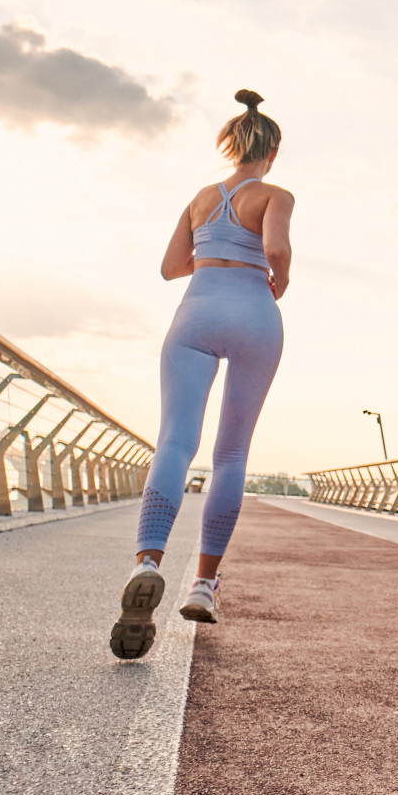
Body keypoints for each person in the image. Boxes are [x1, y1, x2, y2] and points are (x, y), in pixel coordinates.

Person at [109, 90, 292, 658]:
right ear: (274, 150)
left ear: (231, 145)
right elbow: (276, 249)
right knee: (231, 455)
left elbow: (170, 268)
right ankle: (206, 585)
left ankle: (147, 560)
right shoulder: (276, 194)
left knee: (174, 443)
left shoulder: (200, 196)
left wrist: (211, 251)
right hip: (254, 313)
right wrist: (277, 277)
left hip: (197, 307)